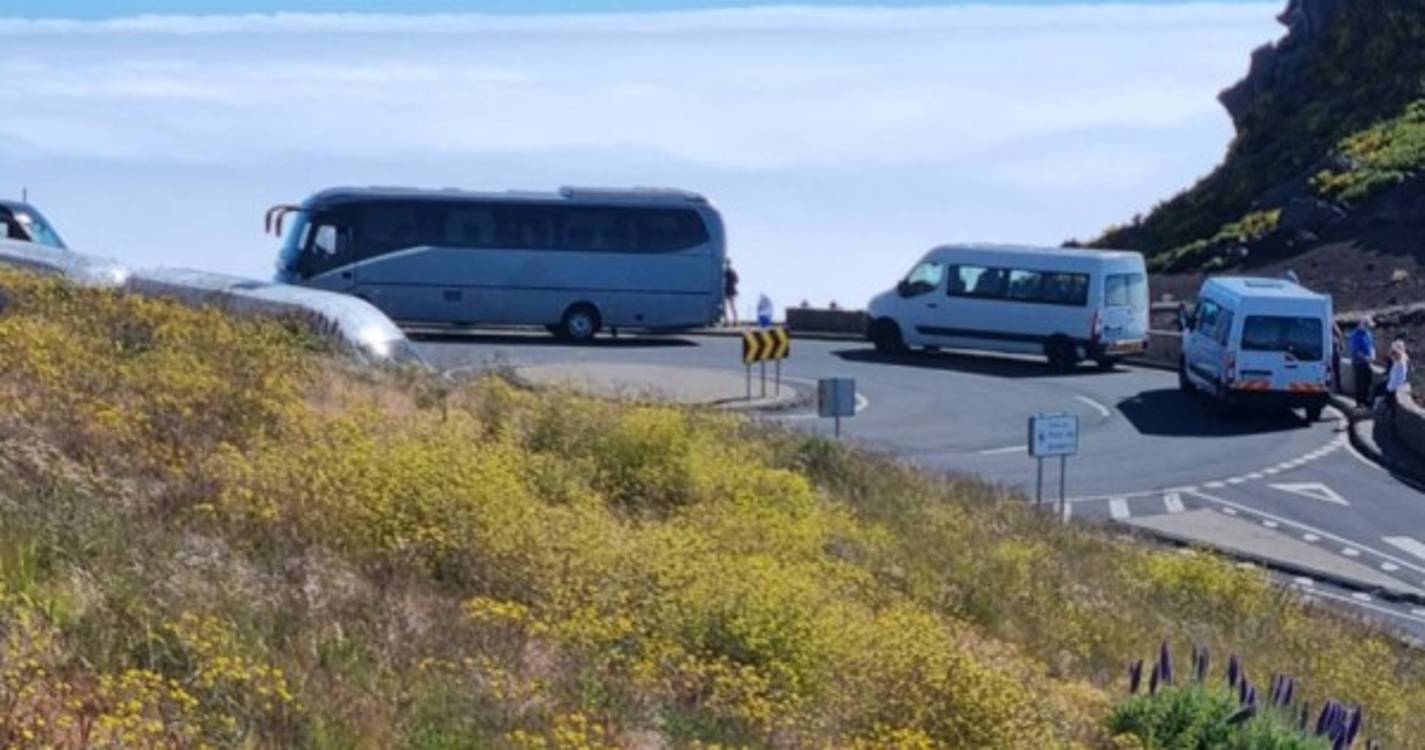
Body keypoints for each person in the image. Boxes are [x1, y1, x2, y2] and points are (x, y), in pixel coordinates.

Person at [1374, 339, 1411, 416]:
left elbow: (1396, 378)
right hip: (1393, 386)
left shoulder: (1400, 363)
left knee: (1388, 400)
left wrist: (1389, 387)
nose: (1391, 357)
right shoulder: (1400, 360)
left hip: (1394, 387)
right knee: (1380, 390)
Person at [1350, 317, 1377, 408]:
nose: (1369, 328)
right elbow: (1356, 351)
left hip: (1368, 362)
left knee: (1367, 382)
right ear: (1363, 324)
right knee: (1360, 383)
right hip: (1359, 363)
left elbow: (1371, 346)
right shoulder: (1355, 335)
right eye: (1368, 326)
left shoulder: (1368, 334)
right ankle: (1359, 402)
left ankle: (1366, 400)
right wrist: (1366, 358)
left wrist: (1373, 355)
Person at [723, 260, 739, 326]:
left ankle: (728, 321)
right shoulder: (732, 272)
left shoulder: (725, 272)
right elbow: (737, 280)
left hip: (727, 290)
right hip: (731, 290)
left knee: (727, 306)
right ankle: (734, 321)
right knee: (731, 306)